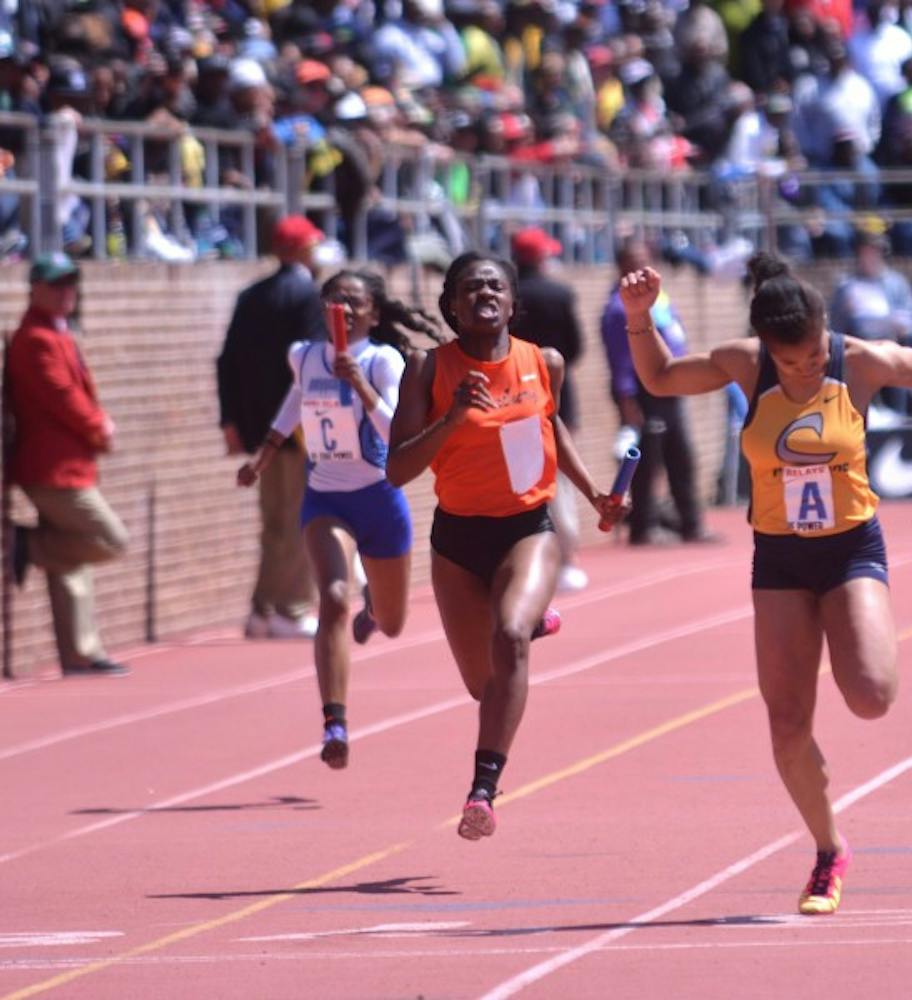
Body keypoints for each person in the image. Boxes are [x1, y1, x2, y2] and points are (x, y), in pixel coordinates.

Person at [618, 252, 912, 915]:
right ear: (764, 349)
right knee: (785, 726)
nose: (805, 369)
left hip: (848, 548)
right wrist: (640, 317)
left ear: (825, 333)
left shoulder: (857, 361)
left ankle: (854, 652)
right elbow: (659, 376)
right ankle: (828, 850)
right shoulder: (743, 364)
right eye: (790, 362)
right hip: (778, 559)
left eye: (812, 356)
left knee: (870, 696)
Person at [386, 251, 622, 840]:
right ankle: (525, 615)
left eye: (495, 286)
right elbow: (396, 469)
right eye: (471, 288)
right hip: (457, 540)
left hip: (526, 527)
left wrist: (594, 494)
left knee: (510, 636)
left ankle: (482, 791)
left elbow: (551, 425)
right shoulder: (427, 368)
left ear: (513, 302)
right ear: (452, 305)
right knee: (484, 684)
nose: (484, 294)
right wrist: (452, 418)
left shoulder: (543, 362)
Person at [235, 271, 433, 768]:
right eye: (333, 298)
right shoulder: (303, 356)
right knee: (333, 596)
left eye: (354, 299)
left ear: (373, 313)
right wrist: (261, 459)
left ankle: (374, 612)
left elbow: (394, 432)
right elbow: (293, 406)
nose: (342, 306)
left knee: (392, 623)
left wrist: (359, 384)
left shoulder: (383, 361)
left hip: (380, 500)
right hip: (326, 498)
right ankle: (335, 723)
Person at [3, 254, 129, 677]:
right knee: (109, 538)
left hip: (70, 463)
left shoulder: (59, 332)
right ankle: (22, 545)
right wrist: (99, 426)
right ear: (35, 289)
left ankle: (80, 651)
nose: (67, 293)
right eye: (57, 285)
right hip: (53, 468)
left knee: (71, 560)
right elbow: (60, 396)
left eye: (71, 284)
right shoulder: (36, 338)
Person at [217, 215, 327, 640]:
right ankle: (291, 607)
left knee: (274, 522)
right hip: (297, 426)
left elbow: (227, 361)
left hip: (260, 428)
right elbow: (310, 364)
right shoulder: (309, 296)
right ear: (302, 250)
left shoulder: (251, 296)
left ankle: (263, 607)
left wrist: (230, 420)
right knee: (300, 518)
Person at [600, 237, 717, 545]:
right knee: (647, 460)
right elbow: (620, 358)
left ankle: (691, 522)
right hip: (644, 392)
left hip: (669, 387)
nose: (641, 267)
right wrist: (627, 399)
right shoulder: (618, 308)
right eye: (633, 262)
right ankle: (644, 526)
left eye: (645, 260)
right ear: (621, 267)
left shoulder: (660, 299)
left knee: (681, 456)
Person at [509, 227, 589, 592]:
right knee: (560, 476)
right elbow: (575, 348)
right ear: (541, 257)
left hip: (511, 391)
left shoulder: (508, 296)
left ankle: (525, 555)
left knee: (520, 476)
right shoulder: (560, 294)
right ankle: (566, 556)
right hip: (556, 392)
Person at [828, 229, 912, 413]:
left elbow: (911, 321)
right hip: (858, 354)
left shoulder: (897, 283)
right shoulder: (847, 286)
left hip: (892, 349)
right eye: (865, 252)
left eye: (874, 252)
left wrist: (896, 321)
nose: (869, 257)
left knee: (896, 403)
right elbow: (836, 326)